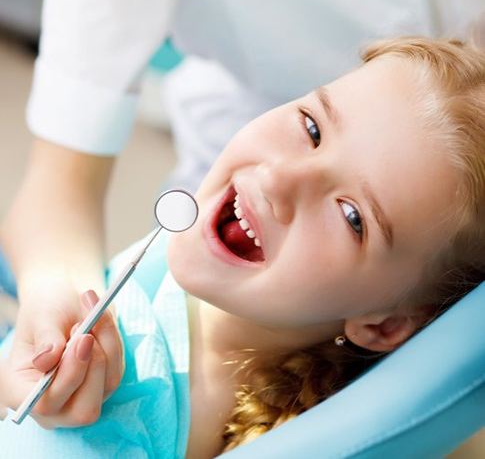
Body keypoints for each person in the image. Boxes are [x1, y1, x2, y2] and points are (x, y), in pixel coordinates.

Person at [0, 37, 484, 458]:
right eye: (312, 128)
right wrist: (48, 294)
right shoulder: (212, 276)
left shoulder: (112, 431)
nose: (277, 178)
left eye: (351, 216)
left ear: (384, 324)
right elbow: (54, 196)